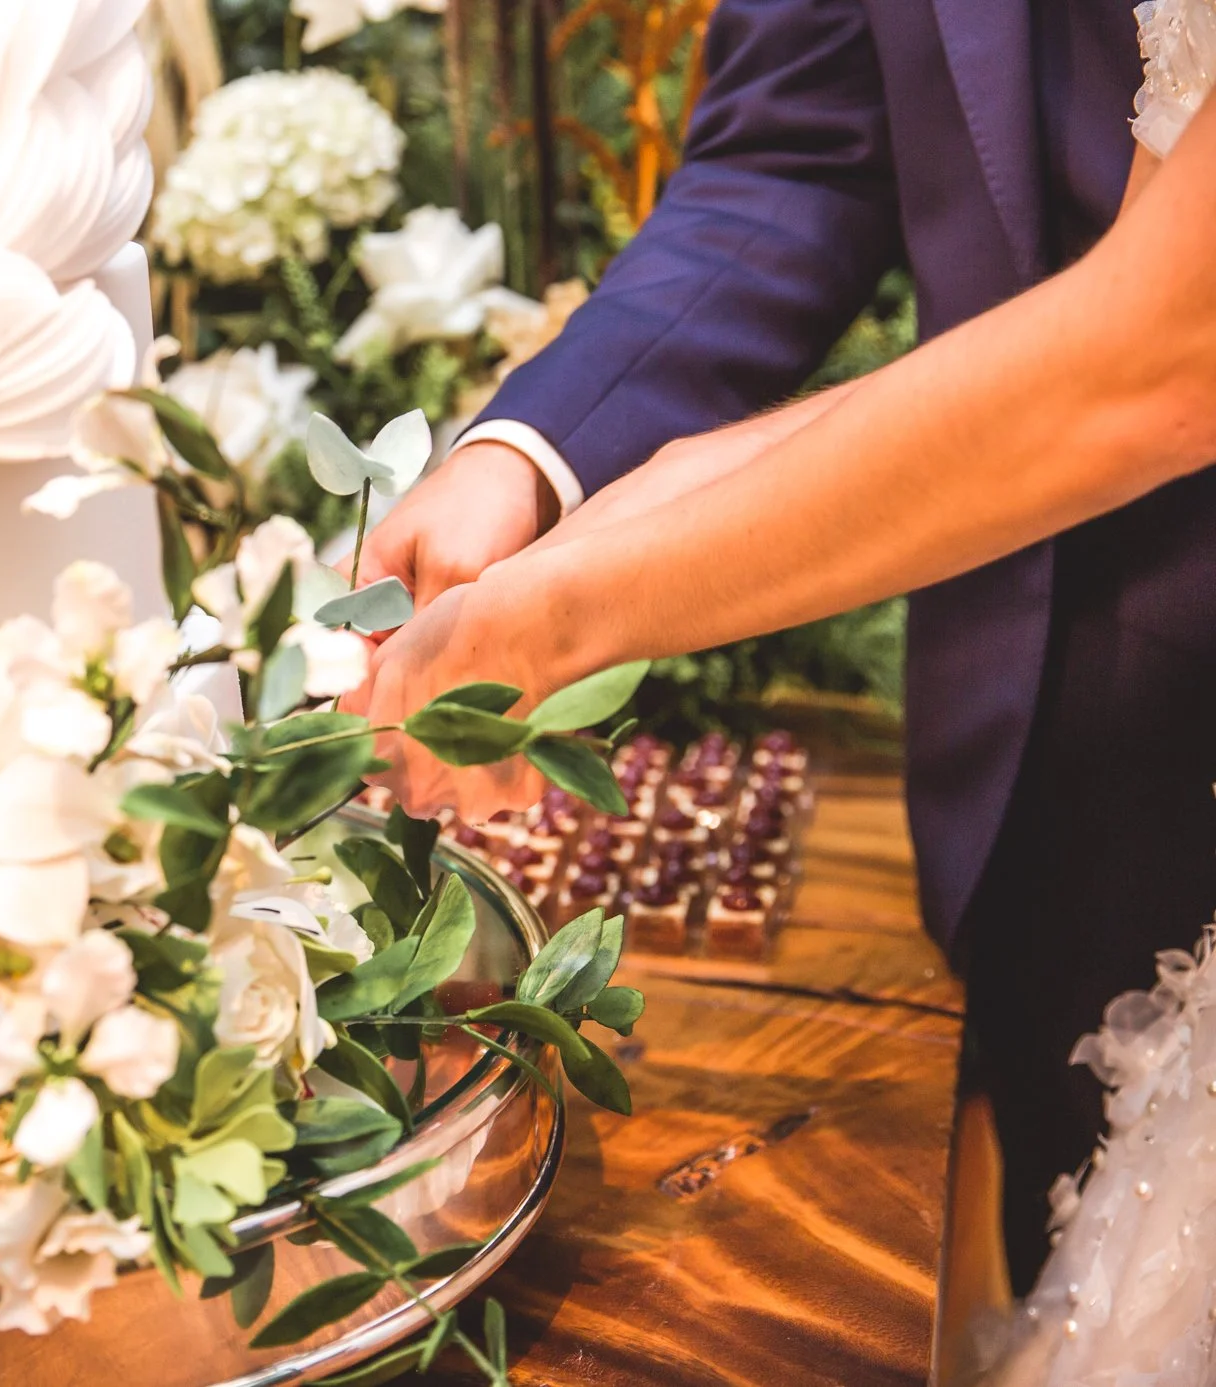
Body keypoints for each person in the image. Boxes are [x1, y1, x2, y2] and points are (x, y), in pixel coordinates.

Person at [348, 0, 1216, 1302]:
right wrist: (532, 465)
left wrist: (570, 610)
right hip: (1038, 768)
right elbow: (797, 144)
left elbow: (1166, 346)